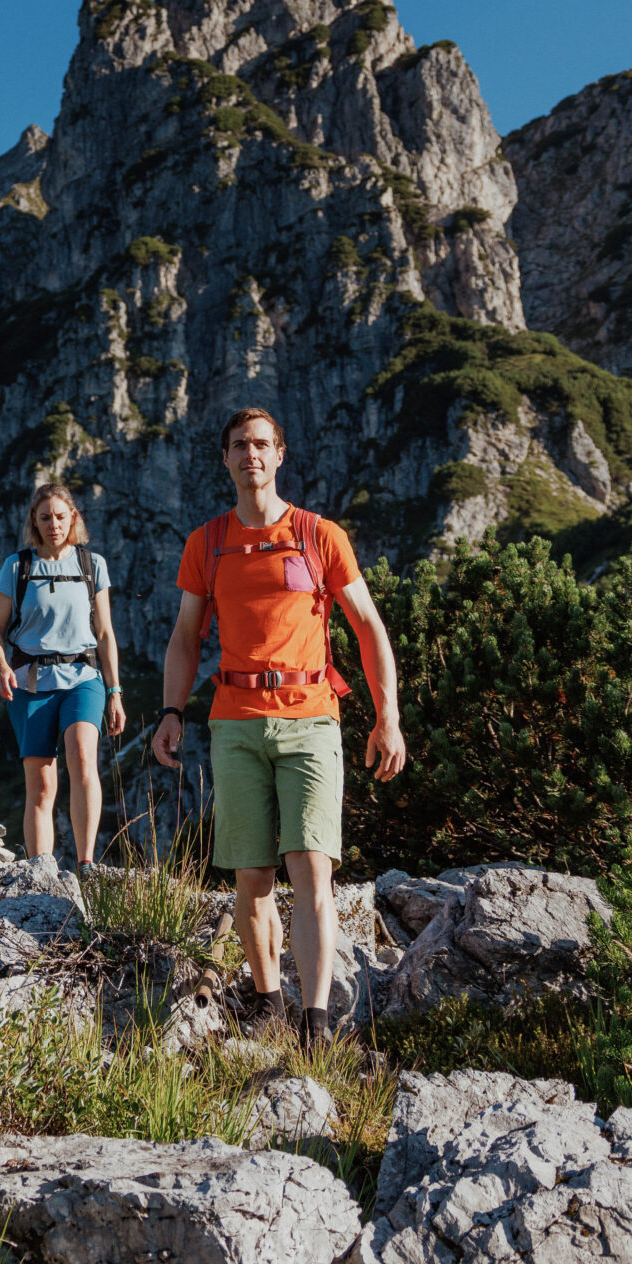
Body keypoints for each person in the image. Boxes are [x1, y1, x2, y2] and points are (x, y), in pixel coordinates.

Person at [149, 407, 407, 1044]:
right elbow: (186, 636)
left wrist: (388, 716)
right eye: (239, 445)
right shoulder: (206, 543)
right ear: (227, 458)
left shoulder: (320, 536)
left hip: (312, 720)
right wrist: (171, 712)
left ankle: (316, 1019)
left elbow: (368, 626)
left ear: (281, 454)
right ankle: (269, 1004)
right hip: (234, 723)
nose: (250, 455)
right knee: (252, 875)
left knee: (311, 869)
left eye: (262, 443)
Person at [0, 483, 129, 866]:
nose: (54, 524)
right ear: (34, 521)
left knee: (82, 754)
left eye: (61, 516)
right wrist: (1, 666)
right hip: (30, 683)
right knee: (42, 782)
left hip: (83, 677)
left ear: (73, 519)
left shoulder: (91, 564)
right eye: (45, 517)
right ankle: (41, 871)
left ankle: (86, 865)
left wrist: (114, 691)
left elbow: (104, 633)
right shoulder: (17, 566)